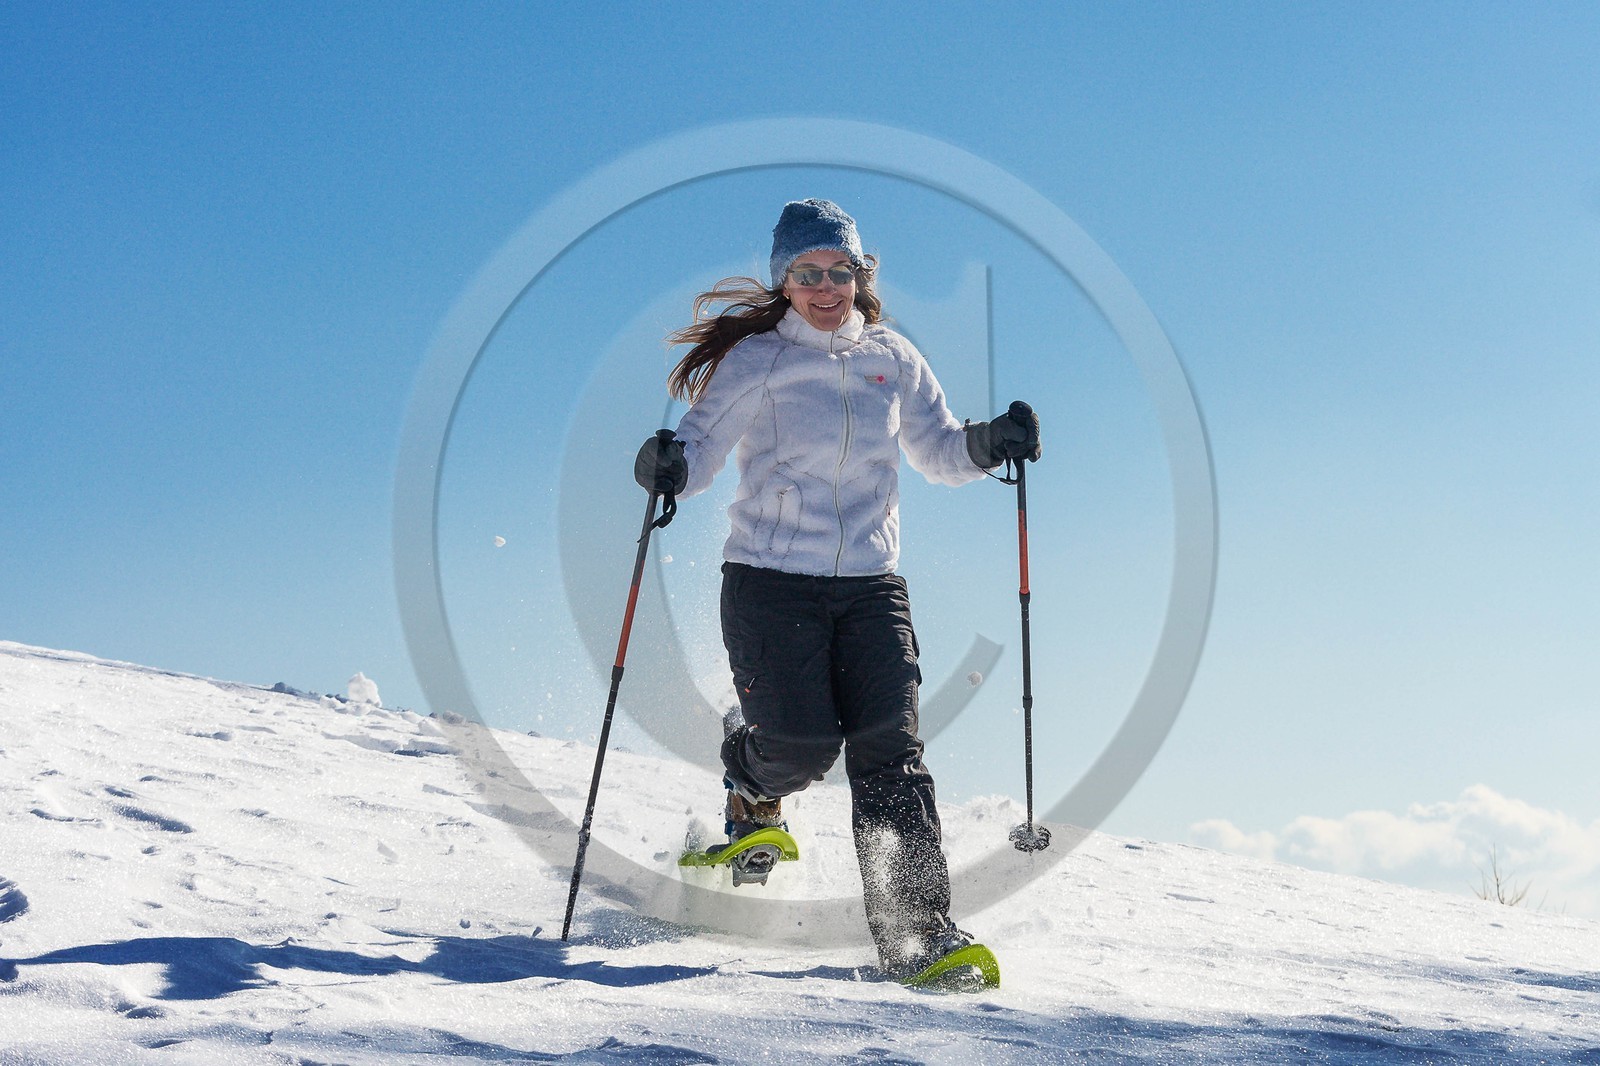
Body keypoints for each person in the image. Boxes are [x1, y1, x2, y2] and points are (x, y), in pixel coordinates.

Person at [634, 198, 1040, 979]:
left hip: (871, 589)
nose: (828, 287)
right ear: (784, 282)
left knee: (891, 751)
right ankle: (751, 776)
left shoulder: (893, 357)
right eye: (809, 273)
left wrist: (992, 444)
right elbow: (702, 444)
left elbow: (941, 451)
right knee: (800, 748)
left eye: (841, 271)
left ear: (862, 274)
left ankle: (917, 934)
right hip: (769, 583)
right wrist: (669, 467)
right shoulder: (759, 360)